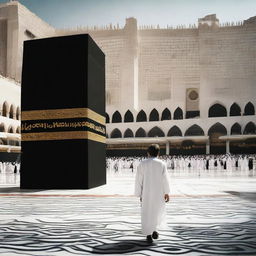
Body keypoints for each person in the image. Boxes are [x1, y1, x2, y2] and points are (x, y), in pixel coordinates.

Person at [135, 144, 170, 243]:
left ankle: (148, 233)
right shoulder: (161, 164)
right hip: (158, 193)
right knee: (157, 210)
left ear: (148, 153)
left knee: (147, 212)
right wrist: (166, 192)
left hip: (146, 193)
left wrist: (139, 194)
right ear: (158, 153)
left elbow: (139, 180)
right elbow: (165, 180)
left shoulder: (142, 164)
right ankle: (155, 229)